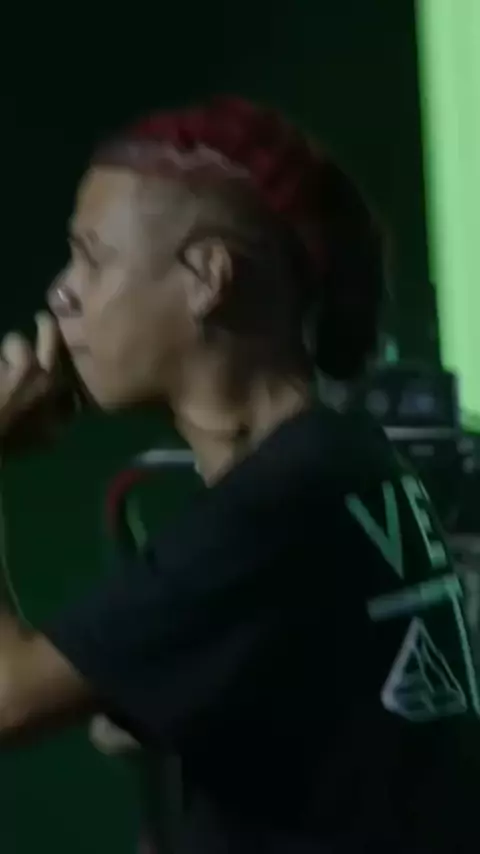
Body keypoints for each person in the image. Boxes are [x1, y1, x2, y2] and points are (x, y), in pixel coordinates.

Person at [0, 95, 478, 853]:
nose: (62, 292)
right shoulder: (347, 458)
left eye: (92, 258)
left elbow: (7, 701)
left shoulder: (274, 506)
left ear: (207, 277)